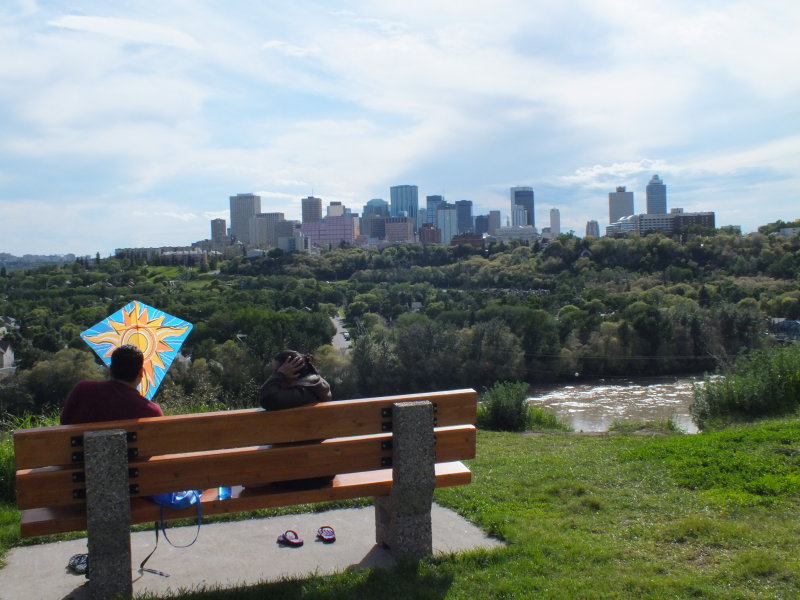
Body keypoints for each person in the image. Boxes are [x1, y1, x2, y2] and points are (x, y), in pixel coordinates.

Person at [61, 344, 163, 424]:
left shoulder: (83, 390)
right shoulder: (152, 412)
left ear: (110, 370)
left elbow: (64, 421)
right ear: (141, 372)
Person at [259, 350, 332, 410]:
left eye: (277, 371)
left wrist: (280, 375)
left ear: (292, 372)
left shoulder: (303, 392)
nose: (274, 375)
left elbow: (267, 399)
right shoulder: (314, 385)